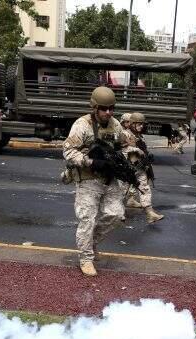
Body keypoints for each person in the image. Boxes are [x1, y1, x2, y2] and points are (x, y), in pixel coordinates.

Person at [62, 86, 128, 277]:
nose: (109, 112)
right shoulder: (82, 125)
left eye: (111, 108)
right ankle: (86, 258)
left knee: (116, 214)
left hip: (109, 178)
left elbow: (123, 146)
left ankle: (91, 243)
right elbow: (68, 151)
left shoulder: (115, 125)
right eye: (104, 108)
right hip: (88, 177)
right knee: (87, 220)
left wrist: (124, 160)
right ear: (95, 108)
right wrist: (91, 161)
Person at [125, 112, 164, 224]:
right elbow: (121, 150)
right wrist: (135, 150)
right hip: (127, 169)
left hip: (139, 168)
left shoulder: (139, 136)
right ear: (132, 124)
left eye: (142, 124)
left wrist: (147, 158)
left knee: (145, 189)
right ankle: (115, 213)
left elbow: (143, 151)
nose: (142, 126)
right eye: (139, 124)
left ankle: (150, 213)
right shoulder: (125, 134)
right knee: (121, 192)